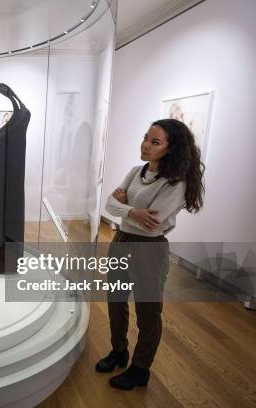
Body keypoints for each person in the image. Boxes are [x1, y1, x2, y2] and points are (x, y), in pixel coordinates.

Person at [96, 118, 205, 390]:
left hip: (149, 249)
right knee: (115, 300)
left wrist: (124, 207)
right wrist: (132, 211)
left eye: (154, 142)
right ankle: (119, 351)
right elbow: (109, 204)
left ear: (170, 149)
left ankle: (140, 368)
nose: (145, 145)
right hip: (121, 240)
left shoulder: (174, 184)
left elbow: (153, 221)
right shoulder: (136, 171)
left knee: (148, 312)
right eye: (146, 138)